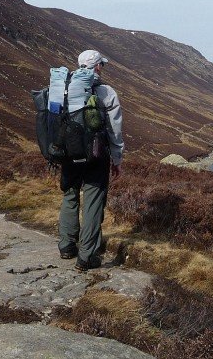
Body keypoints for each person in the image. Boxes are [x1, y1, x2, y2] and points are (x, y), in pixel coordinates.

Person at [58, 49, 124, 271]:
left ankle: (67, 245)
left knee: (70, 195)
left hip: (68, 154)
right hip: (97, 156)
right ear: (97, 66)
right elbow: (115, 129)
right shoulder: (106, 92)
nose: (101, 68)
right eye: (101, 65)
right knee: (93, 202)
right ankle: (87, 256)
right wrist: (116, 158)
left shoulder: (65, 89)